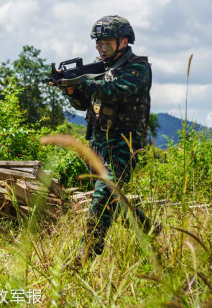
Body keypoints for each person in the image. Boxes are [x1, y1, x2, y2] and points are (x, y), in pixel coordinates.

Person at [62, 15, 158, 258]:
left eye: (107, 42)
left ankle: (86, 254)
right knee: (113, 199)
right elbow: (84, 103)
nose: (101, 48)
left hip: (125, 142)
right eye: (98, 43)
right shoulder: (100, 67)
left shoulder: (137, 67)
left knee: (104, 194)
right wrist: (72, 90)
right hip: (98, 142)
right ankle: (146, 229)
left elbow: (112, 91)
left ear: (124, 41)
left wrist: (82, 82)